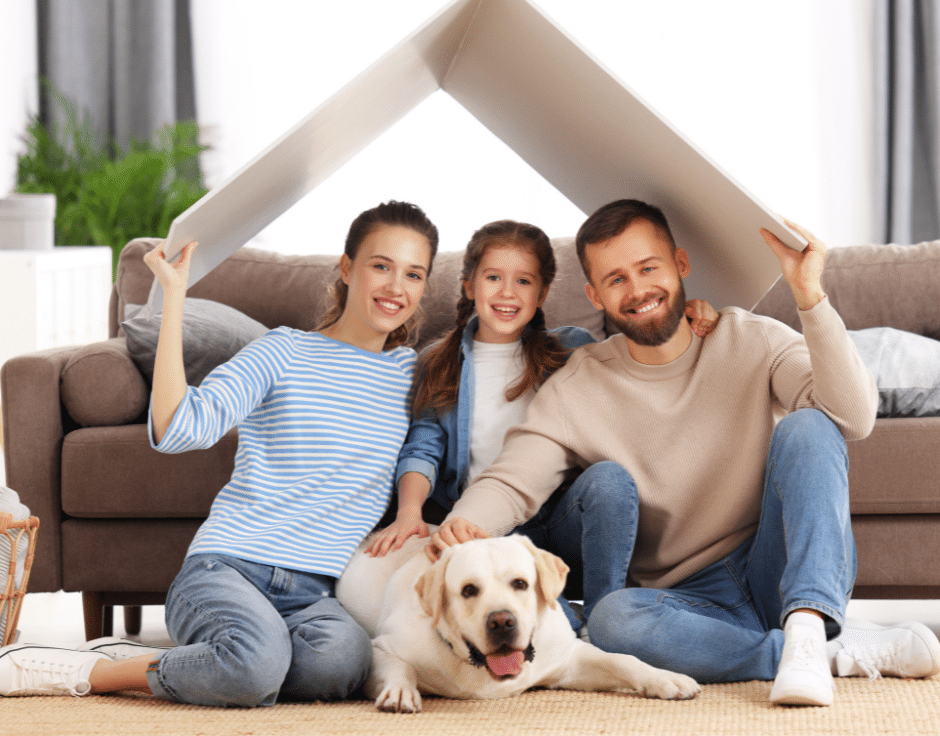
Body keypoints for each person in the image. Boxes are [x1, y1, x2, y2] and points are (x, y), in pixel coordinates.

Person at [428, 199, 940, 707]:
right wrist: (457, 528)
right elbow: (513, 480)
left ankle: (807, 627)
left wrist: (810, 298)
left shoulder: (750, 338)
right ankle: (822, 653)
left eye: (648, 268)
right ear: (595, 294)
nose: (637, 290)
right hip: (683, 602)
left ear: (681, 264)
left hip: (773, 566)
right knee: (610, 620)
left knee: (810, 426)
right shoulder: (577, 385)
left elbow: (853, 417)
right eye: (616, 279)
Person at [0, 200, 440, 706]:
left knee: (343, 664)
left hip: (316, 593)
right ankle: (97, 669)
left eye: (413, 274)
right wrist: (173, 299)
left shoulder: (414, 376)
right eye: (381, 266)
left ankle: (231, 660)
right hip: (227, 568)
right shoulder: (283, 350)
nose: (395, 287)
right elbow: (176, 428)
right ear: (347, 268)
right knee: (255, 667)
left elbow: (427, 449)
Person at [366, 219, 718, 632]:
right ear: (468, 285)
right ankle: (569, 624)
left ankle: (609, 614)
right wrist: (409, 512)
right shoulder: (436, 361)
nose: (507, 293)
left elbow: (641, 342)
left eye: (524, 281)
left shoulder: (572, 349)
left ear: (543, 293)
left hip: (560, 520)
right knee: (552, 627)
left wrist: (689, 312)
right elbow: (422, 448)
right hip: (486, 529)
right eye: (493, 277)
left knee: (609, 479)